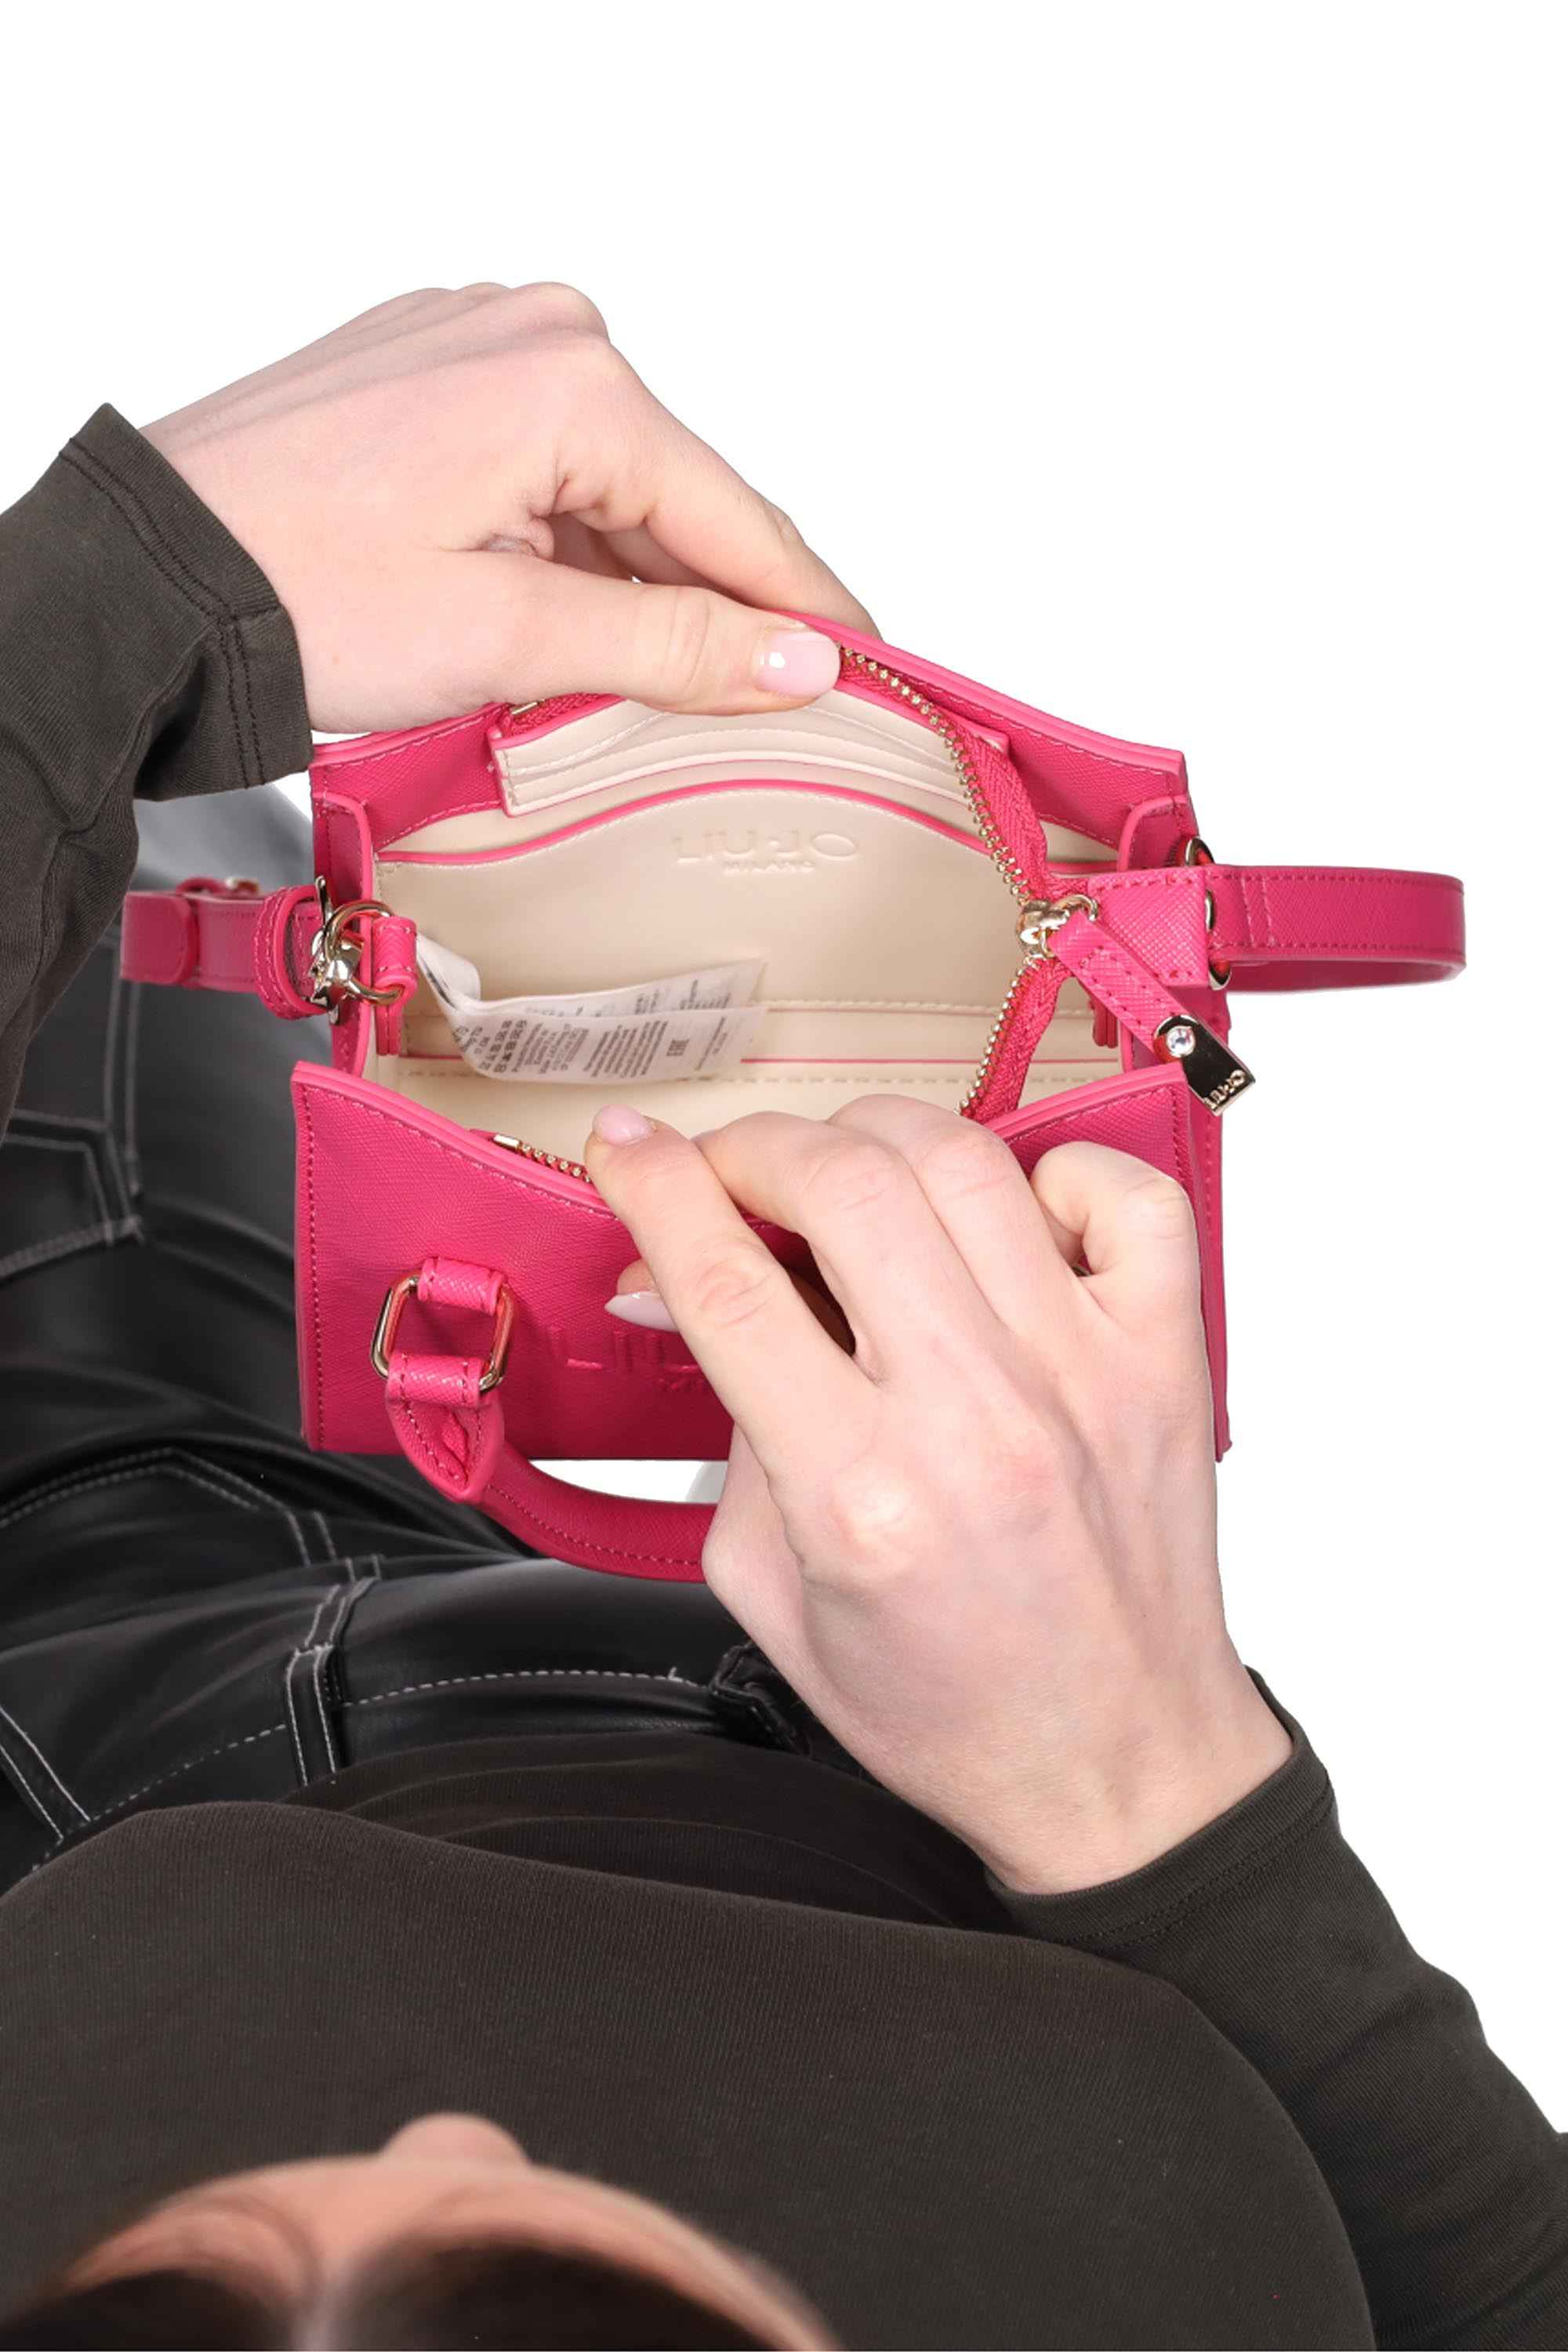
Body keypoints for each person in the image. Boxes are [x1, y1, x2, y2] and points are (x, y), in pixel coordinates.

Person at [0, 282, 1559, 2352]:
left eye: (174, 2271)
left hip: (73, 1629)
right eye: (551, 2266)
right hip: (830, 1725)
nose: (435, 2127)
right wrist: (1161, 1812)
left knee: (152, 822)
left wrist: (100, 614)